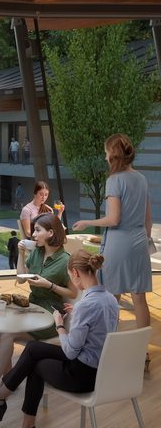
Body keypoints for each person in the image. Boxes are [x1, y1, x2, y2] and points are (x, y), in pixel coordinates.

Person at [0, 251, 118, 426]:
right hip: (102, 369)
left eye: (71, 276)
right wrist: (77, 313)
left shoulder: (86, 305)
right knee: (33, 348)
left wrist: (60, 326)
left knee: (34, 364)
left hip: (82, 376)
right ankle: (1, 401)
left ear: (76, 273)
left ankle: (1, 402)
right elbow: (97, 327)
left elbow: (71, 352)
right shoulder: (110, 299)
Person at [0, 212, 78, 406]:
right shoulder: (37, 251)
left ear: (51, 232)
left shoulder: (65, 260)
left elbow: (72, 292)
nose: (33, 235)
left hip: (50, 315)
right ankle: (9, 376)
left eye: (37, 230)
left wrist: (50, 285)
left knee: (8, 334)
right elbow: (21, 277)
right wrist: (21, 253)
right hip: (32, 306)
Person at [73, 133, 152, 367]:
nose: (105, 155)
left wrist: (88, 223)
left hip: (120, 243)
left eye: (106, 151)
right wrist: (142, 239)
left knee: (110, 298)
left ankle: (107, 350)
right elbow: (147, 220)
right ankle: (142, 352)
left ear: (113, 155)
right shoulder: (141, 178)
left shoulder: (115, 180)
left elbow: (113, 219)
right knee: (139, 298)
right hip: (138, 241)